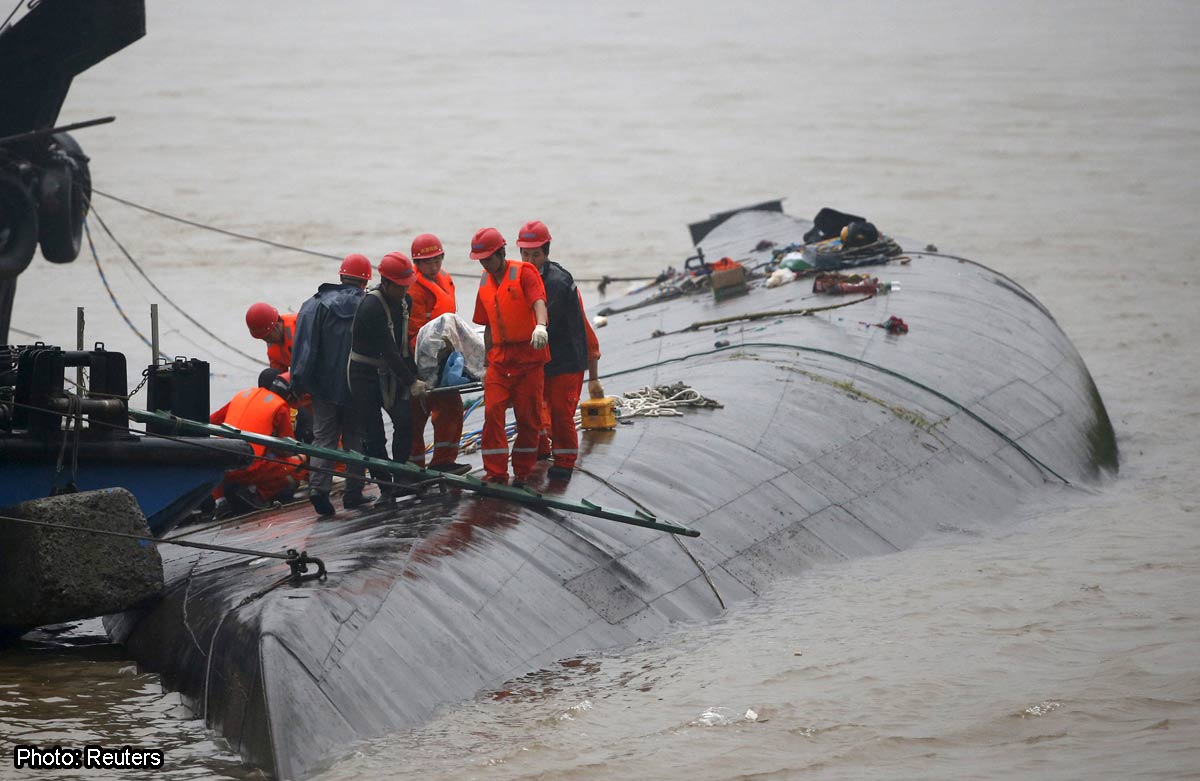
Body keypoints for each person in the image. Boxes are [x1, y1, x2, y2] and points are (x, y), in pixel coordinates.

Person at [513, 221, 603, 480]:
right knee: (533, 408)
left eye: (535, 255)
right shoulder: (520, 277)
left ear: (546, 252)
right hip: (541, 358)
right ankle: (540, 450)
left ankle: (564, 460)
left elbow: (543, 320)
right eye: (525, 254)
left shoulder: (556, 282)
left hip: (565, 359)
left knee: (561, 413)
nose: (530, 260)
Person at [291, 254, 371, 515]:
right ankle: (353, 493)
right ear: (365, 281)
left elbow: (303, 350)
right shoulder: (368, 305)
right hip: (356, 385)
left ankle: (318, 489)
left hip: (323, 388)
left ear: (341, 276)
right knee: (355, 438)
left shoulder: (313, 305)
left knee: (324, 438)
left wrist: (299, 381)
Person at [470, 227, 549, 486]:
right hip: (499, 360)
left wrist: (540, 326)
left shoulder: (525, 272)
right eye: (481, 260)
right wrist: (485, 364)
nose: (485, 264)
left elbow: (538, 301)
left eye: (488, 258)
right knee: (492, 411)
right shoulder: (484, 282)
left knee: (528, 418)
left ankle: (523, 471)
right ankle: (495, 472)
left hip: (528, 359)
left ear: (501, 253)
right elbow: (487, 325)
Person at [348, 251, 425, 503]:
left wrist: (416, 374)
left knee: (404, 421)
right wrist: (411, 382)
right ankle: (385, 487)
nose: (405, 291)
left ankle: (400, 476)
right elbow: (388, 349)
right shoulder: (371, 307)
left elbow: (402, 348)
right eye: (401, 286)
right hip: (364, 374)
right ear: (386, 283)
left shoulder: (405, 302)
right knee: (374, 434)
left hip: (390, 371)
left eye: (407, 286)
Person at [406, 233, 469, 474]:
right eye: (428, 262)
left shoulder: (445, 280)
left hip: (446, 360)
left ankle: (444, 461)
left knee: (452, 410)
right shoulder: (413, 290)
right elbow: (413, 333)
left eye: (437, 260)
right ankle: (413, 468)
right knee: (415, 418)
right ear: (417, 263)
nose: (434, 266)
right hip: (421, 364)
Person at [209, 368, 307, 517]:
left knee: (218, 452)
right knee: (296, 466)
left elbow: (211, 421)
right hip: (248, 466)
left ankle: (220, 501)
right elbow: (287, 449)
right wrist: (301, 457)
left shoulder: (242, 396)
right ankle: (256, 494)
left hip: (223, 465)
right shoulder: (280, 406)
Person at [245, 302, 295, 372]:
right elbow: (278, 374)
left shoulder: (300, 328)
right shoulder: (273, 348)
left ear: (276, 324)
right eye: (263, 338)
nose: (267, 341)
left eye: (267, 336)